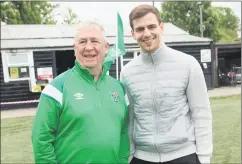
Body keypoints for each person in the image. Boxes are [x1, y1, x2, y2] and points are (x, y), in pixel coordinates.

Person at [120, 4, 213, 164]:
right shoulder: (127, 72)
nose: (147, 33)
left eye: (151, 27)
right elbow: (130, 118)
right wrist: (130, 156)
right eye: (140, 29)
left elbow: (201, 113)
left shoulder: (188, 64)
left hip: (184, 156)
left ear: (161, 28)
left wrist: (204, 158)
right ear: (133, 34)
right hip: (142, 158)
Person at [32, 20, 130, 163]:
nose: (88, 47)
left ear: (106, 47)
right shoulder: (57, 88)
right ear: (75, 48)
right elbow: (41, 139)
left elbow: (124, 133)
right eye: (82, 42)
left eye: (94, 41)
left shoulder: (119, 89)